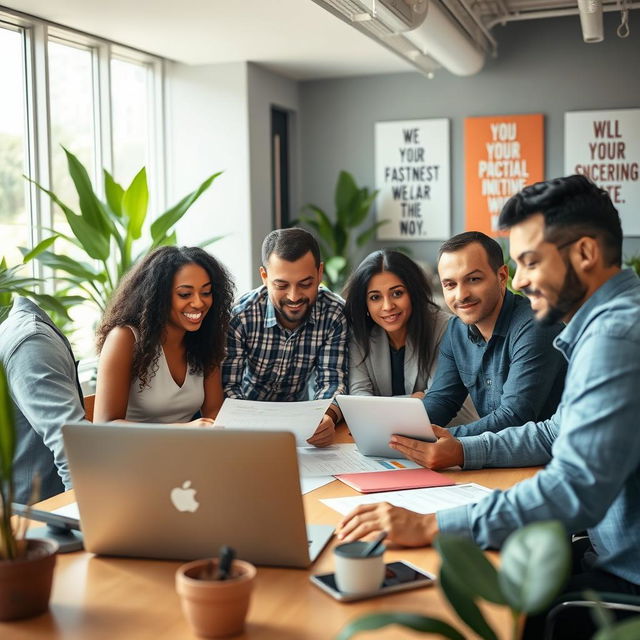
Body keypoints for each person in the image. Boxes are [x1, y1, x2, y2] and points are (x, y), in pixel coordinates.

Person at [336, 175, 640, 639]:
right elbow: (551, 432)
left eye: (530, 262)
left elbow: (572, 488)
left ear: (584, 253)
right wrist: (455, 449)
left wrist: (432, 526)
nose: (518, 280)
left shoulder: (614, 337)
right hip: (605, 551)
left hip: (624, 578)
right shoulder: (611, 324)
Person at [388, 231, 566, 462]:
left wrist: (441, 441)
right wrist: (399, 432)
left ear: (502, 276)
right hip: (494, 460)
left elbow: (514, 416)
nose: (461, 295)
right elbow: (443, 399)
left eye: (473, 279)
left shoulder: (536, 326)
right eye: (450, 284)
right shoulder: (456, 329)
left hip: (543, 461)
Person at [222, 228, 348, 447]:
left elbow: (332, 381)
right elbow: (229, 388)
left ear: (319, 273)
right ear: (264, 276)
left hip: (303, 420)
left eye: (305, 284)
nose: (294, 296)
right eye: (281, 285)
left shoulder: (335, 313)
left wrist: (327, 417)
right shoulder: (241, 316)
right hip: (247, 420)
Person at [94, 246, 234, 425]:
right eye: (185, 294)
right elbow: (105, 424)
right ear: (158, 296)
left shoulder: (204, 338)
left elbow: (214, 410)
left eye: (206, 293)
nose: (199, 303)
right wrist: (183, 430)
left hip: (183, 450)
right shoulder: (125, 337)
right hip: (131, 451)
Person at [343, 249, 478, 425]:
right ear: (365, 302)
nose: (387, 306)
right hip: (385, 437)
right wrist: (414, 399)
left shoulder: (446, 329)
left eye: (397, 293)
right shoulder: (359, 334)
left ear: (413, 293)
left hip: (447, 437)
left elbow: (443, 404)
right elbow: (360, 401)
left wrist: (381, 406)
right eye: (375, 297)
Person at [0, 297, 87, 503]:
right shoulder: (26, 339)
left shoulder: (29, 342)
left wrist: (88, 526)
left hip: (38, 519)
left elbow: (72, 447)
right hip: (27, 519)